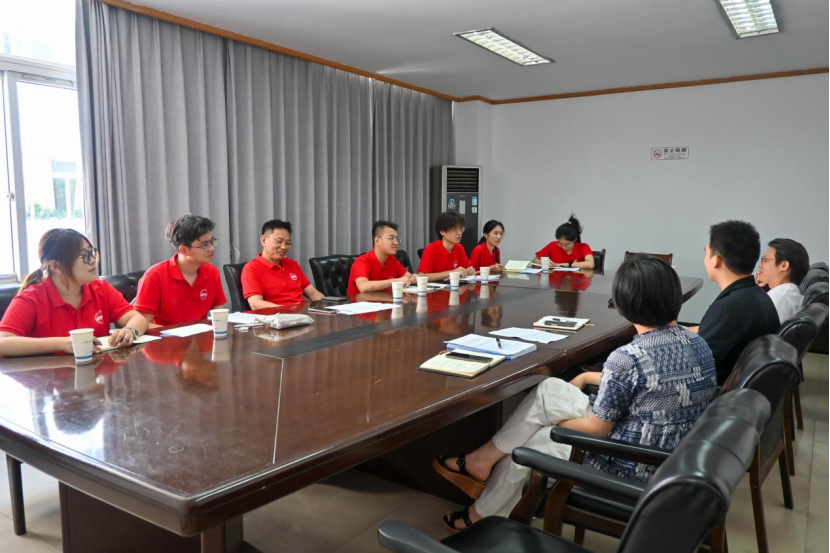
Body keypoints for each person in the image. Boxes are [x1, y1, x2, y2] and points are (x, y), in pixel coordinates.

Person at [433, 256, 716, 531]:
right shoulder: (698, 342)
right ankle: (483, 465)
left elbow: (597, 430)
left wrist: (555, 422)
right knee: (548, 389)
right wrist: (582, 379)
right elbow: (647, 383)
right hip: (672, 453)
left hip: (631, 461)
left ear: (625, 303)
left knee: (530, 441)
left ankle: (482, 511)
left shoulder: (629, 356)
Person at [0, 229, 149, 358]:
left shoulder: (100, 288)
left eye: (92, 252)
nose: (93, 261)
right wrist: (61, 344)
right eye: (84, 256)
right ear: (56, 266)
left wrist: (130, 331)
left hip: (96, 373)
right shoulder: (31, 297)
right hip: (47, 378)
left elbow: (137, 318)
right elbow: (3, 343)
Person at [688, 220, 780, 385]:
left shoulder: (730, 307)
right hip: (747, 392)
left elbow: (695, 364)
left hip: (719, 391)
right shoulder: (756, 295)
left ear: (716, 260)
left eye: (706, 252)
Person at [134, 214, 227, 326]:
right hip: (166, 336)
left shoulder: (212, 272)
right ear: (184, 250)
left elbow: (219, 313)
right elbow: (142, 324)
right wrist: (176, 333)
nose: (212, 248)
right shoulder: (154, 275)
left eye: (211, 242)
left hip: (201, 335)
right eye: (204, 245)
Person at [241, 219, 324, 309]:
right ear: (263, 240)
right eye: (279, 241)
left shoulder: (292, 264)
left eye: (287, 243)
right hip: (277, 315)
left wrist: (330, 306)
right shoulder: (252, 268)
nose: (284, 247)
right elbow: (255, 304)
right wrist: (288, 310)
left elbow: (313, 293)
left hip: (301, 313)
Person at [347, 220, 414, 296]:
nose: (396, 243)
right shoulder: (362, 261)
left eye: (397, 239)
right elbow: (363, 287)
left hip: (386, 301)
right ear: (377, 240)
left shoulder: (391, 259)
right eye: (391, 238)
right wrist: (396, 281)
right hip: (362, 302)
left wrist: (413, 277)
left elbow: (409, 276)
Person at [756, 238, 809, 323]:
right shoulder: (787, 293)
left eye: (765, 260)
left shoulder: (778, 296)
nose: (760, 265)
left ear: (783, 265)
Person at [418, 212, 476, 282]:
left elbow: (467, 267)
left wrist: (470, 270)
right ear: (442, 232)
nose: (459, 233)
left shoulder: (459, 248)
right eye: (454, 229)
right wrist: (452, 272)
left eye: (461, 229)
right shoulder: (431, 249)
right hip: (435, 288)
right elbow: (422, 276)